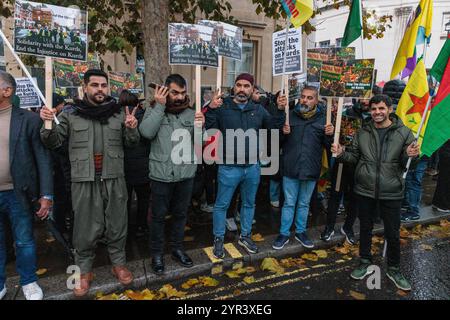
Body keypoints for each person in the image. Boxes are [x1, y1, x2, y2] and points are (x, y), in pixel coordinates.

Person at [40, 69, 140, 297]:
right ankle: (83, 272)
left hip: (114, 178)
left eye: (104, 85)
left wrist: (132, 129)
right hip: (84, 180)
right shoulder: (71, 114)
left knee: (117, 223)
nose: (100, 90)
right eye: (95, 85)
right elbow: (53, 142)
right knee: (84, 228)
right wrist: (47, 124)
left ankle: (119, 264)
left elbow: (131, 144)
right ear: (85, 88)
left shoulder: (117, 114)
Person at [331, 94, 420, 291]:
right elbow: (353, 157)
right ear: (370, 111)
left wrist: (413, 156)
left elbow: (411, 163)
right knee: (364, 228)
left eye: (381, 108)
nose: (377, 112)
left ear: (389, 109)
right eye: (373, 109)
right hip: (365, 190)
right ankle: (364, 261)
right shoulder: (362, 132)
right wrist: (340, 154)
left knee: (393, 233)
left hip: (392, 191)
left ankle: (394, 268)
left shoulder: (404, 133)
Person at [205, 73, 286, 259]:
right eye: (239, 85)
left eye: (246, 86)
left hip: (252, 167)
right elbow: (210, 130)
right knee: (221, 205)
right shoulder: (222, 107)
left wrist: (280, 111)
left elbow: (273, 128)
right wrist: (210, 109)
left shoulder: (258, 110)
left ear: (252, 89)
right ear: (234, 87)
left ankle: (245, 236)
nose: (242, 89)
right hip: (228, 167)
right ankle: (218, 238)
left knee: (249, 204)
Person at [139, 74, 205, 275]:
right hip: (161, 175)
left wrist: (200, 127)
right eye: (174, 92)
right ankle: (157, 254)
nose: (179, 97)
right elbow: (146, 133)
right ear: (166, 91)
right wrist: (159, 106)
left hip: (185, 174)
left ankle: (177, 249)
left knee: (180, 214)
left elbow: (201, 144)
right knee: (158, 217)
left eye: (183, 93)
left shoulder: (192, 114)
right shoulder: (153, 110)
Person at [0, 71, 53, 300]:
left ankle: (29, 282)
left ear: (7, 91)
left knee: (23, 241)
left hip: (18, 193)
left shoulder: (28, 120)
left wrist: (46, 195)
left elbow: (43, 159)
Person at [272, 86, 334, 250]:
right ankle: (284, 234)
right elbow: (277, 142)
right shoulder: (289, 116)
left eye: (309, 98)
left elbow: (329, 147)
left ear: (316, 101)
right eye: (303, 97)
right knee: (289, 203)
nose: (305, 100)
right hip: (291, 168)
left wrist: (330, 134)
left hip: (310, 169)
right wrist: (282, 132)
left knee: (304, 204)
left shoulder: (324, 120)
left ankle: (301, 232)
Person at [321, 98, 371, 244]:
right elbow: (331, 141)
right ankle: (329, 227)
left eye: (368, 96)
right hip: (342, 164)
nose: (365, 100)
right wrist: (330, 135)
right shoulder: (346, 114)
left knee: (355, 197)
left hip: (361, 166)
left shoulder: (374, 118)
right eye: (362, 96)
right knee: (336, 195)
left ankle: (348, 227)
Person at [119, 90, 151, 237]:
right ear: (137, 103)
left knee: (125, 200)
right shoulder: (145, 117)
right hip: (143, 166)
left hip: (123, 167)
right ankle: (142, 226)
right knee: (143, 199)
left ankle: (125, 227)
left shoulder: (116, 118)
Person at [431, 140, 450, 213]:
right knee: (446, 182)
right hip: (447, 155)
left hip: (445, 153)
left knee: (443, 181)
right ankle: (443, 205)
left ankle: (438, 202)